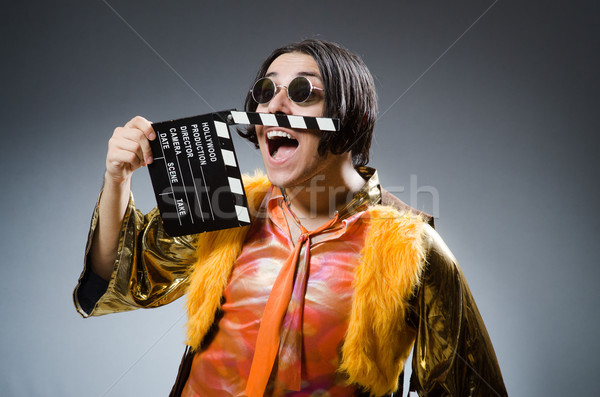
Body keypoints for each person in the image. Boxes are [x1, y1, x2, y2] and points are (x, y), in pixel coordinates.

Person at [74, 39, 507, 396]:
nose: (275, 105)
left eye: (302, 92)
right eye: (266, 91)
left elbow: (470, 388)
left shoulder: (411, 247)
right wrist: (117, 181)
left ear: (347, 117)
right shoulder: (225, 204)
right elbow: (119, 277)